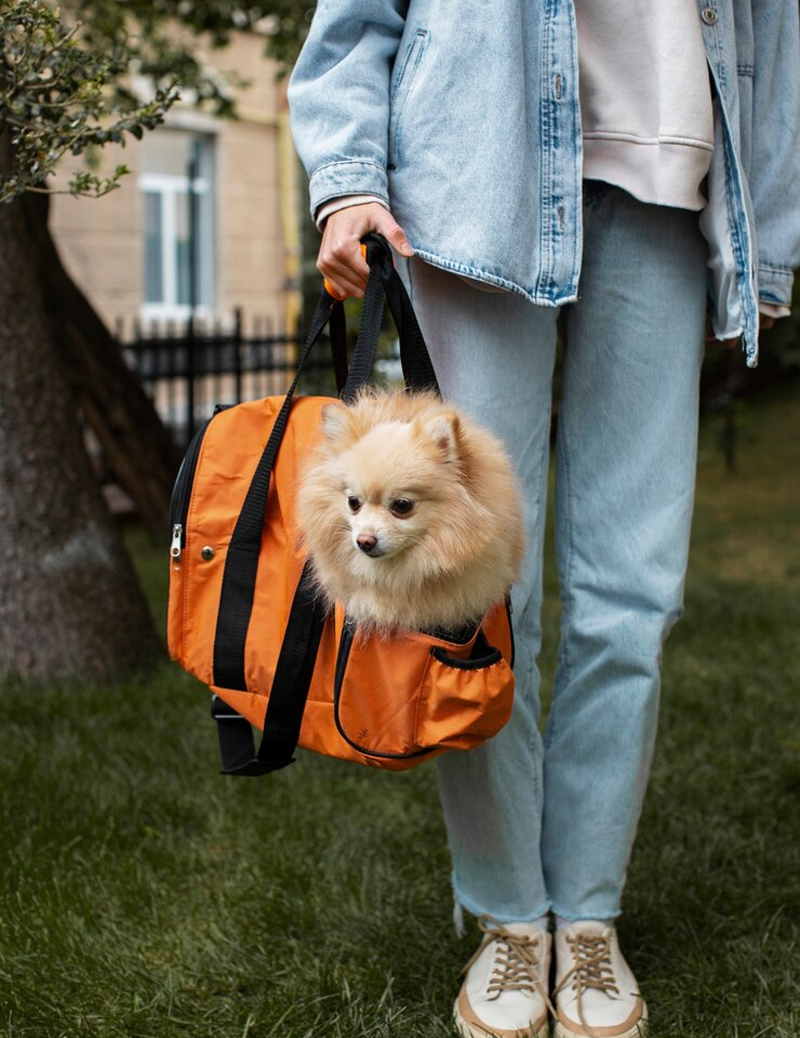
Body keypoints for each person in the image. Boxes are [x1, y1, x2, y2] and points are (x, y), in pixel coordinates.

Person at [287, 3, 800, 1036]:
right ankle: (510, 918)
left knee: (633, 593)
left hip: (667, 184)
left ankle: (589, 916)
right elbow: (356, 17)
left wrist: (770, 231)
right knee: (470, 594)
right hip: (471, 181)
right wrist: (348, 181)